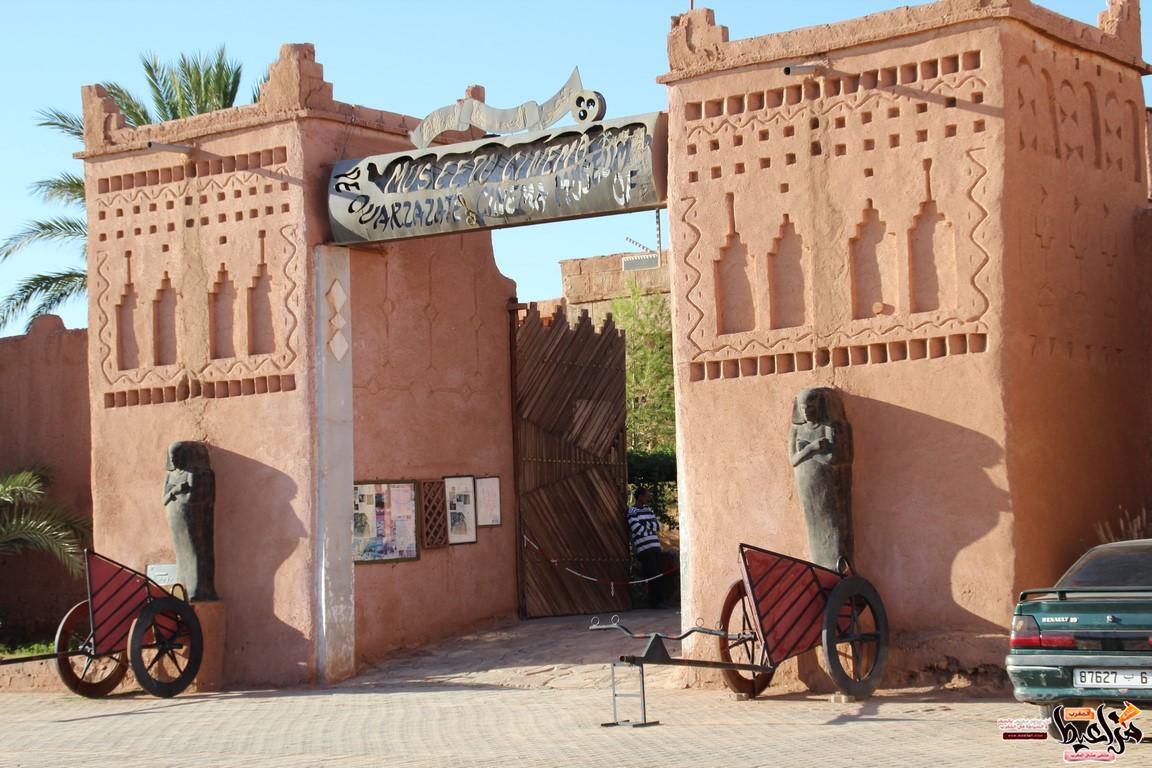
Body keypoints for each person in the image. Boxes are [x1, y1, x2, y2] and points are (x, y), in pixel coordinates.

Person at [788, 388, 854, 570]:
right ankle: (819, 566)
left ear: (820, 407)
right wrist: (813, 448)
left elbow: (832, 458)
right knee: (813, 526)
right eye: (803, 409)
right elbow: (793, 459)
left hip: (827, 482)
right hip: (805, 483)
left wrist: (808, 451)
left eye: (811, 408)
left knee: (833, 524)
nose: (807, 412)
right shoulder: (796, 429)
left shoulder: (829, 427)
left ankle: (837, 567)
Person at [627, 487, 664, 608]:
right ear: (640, 496)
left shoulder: (648, 510)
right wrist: (650, 527)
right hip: (644, 549)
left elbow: (658, 526)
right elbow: (637, 529)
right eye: (647, 496)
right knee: (652, 575)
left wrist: (645, 525)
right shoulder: (632, 511)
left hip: (656, 546)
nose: (648, 498)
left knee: (659, 574)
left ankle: (659, 601)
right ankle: (656, 602)